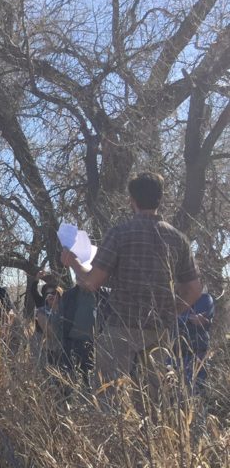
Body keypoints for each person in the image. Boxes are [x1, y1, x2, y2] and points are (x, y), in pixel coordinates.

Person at [61, 172, 202, 403]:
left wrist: (73, 262)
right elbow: (194, 289)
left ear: (132, 200)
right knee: (154, 402)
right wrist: (171, 311)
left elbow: (91, 282)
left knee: (110, 400)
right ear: (160, 199)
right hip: (159, 331)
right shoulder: (178, 239)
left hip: (120, 328)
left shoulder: (119, 234)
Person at [178, 292, 214, 394]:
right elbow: (169, 317)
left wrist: (182, 318)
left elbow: (199, 320)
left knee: (195, 388)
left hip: (197, 350)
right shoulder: (174, 296)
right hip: (176, 349)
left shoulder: (205, 298)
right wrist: (188, 318)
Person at [34, 285, 64, 368]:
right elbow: (50, 332)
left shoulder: (66, 309)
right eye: (48, 293)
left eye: (54, 293)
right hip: (51, 350)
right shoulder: (41, 311)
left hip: (68, 349)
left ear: (59, 294)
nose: (51, 295)